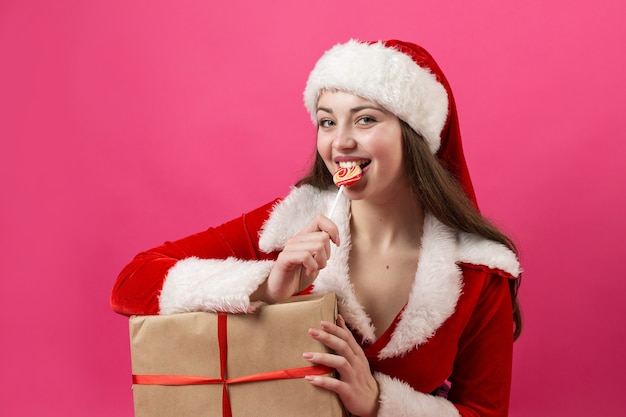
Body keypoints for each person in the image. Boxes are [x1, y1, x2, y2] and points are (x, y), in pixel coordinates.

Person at [111, 39, 522, 417]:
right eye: (327, 122)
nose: (339, 142)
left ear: (414, 135)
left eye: (364, 119)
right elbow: (130, 282)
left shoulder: (480, 271)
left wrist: (379, 402)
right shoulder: (284, 225)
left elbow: (485, 411)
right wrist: (266, 286)